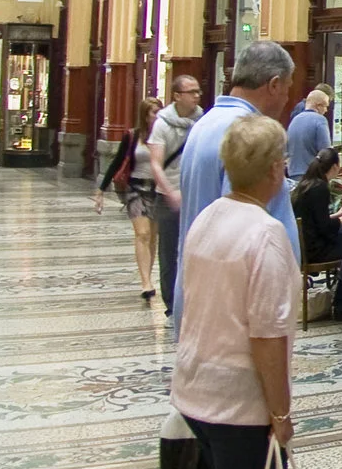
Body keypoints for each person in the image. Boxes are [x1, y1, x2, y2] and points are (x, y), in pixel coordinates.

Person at [171, 111, 310, 469]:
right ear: (277, 170)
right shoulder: (267, 235)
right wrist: (280, 411)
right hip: (237, 401)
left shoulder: (207, 217)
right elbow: (267, 336)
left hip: (195, 387)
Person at [175, 42, 302, 310]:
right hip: (234, 307)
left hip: (200, 295)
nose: (287, 99)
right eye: (288, 88)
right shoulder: (250, 136)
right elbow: (240, 231)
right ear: (274, 84)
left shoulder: (205, 124)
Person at [95, 96, 164, 300]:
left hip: (157, 190)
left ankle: (148, 275)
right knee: (142, 234)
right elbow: (117, 162)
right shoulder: (133, 136)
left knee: (152, 237)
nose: (157, 116)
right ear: (144, 115)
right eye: (154, 112)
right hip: (135, 189)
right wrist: (101, 190)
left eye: (160, 112)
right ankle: (146, 283)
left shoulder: (164, 137)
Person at [147, 77, 201, 315]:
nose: (196, 96)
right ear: (177, 95)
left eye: (198, 92)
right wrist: (170, 192)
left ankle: (193, 300)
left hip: (195, 193)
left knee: (196, 249)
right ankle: (171, 304)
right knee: (169, 252)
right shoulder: (162, 124)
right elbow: (156, 164)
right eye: (191, 92)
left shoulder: (202, 120)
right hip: (168, 197)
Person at [291, 150, 342, 267]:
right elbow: (325, 228)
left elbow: (314, 219)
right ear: (334, 166)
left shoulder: (306, 184)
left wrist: (338, 214)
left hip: (303, 246)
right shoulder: (320, 188)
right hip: (315, 250)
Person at [286, 88, 335, 178]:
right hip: (311, 175)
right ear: (318, 106)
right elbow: (326, 152)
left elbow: (287, 149)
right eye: (325, 106)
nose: (326, 110)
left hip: (293, 173)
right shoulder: (320, 120)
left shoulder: (295, 120)